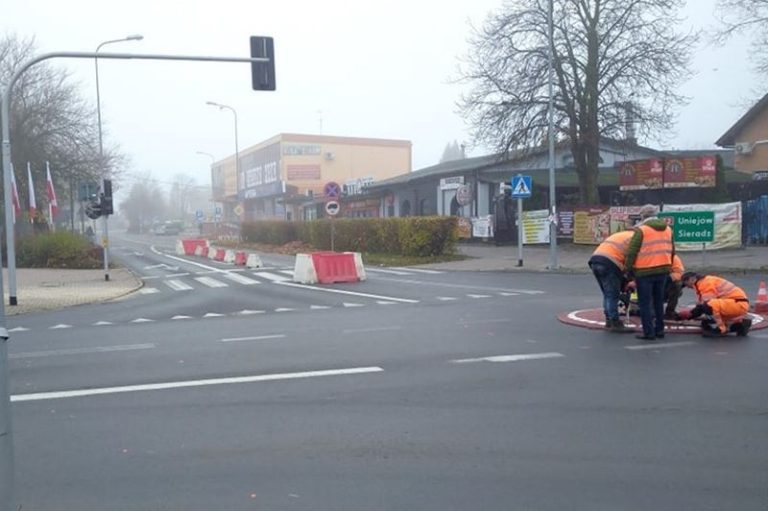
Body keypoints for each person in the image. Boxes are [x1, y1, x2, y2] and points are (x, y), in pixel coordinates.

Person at [625, 204, 675, 340]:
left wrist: (628, 269)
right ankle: (660, 330)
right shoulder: (668, 229)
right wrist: (668, 265)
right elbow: (672, 250)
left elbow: (632, 252)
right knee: (658, 301)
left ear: (642, 216)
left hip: (644, 272)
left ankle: (649, 332)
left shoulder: (641, 230)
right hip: (663, 270)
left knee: (645, 303)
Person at [677, 272, 752, 337]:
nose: (687, 287)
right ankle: (740, 325)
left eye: (686, 284)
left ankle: (720, 330)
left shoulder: (705, 283)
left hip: (737, 304)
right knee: (706, 322)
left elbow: (706, 305)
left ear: (691, 279)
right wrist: (691, 314)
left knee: (709, 306)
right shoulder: (703, 282)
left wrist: (690, 314)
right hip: (735, 304)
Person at [588, 229, 634, 332]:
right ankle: (615, 322)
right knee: (613, 295)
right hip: (610, 262)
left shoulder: (621, 235)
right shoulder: (636, 238)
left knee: (607, 294)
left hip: (595, 260)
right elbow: (633, 259)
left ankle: (609, 320)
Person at [664, 254, 685, 319]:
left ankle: (670, 312)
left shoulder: (673, 257)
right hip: (650, 283)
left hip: (665, 284)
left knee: (677, 285)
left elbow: (679, 274)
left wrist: (665, 279)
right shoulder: (647, 257)